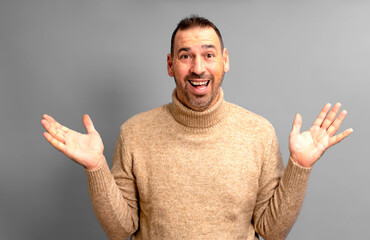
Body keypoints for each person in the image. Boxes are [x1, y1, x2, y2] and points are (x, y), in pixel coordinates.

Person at [41, 16, 353, 240]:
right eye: (185, 56)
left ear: (225, 60)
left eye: (208, 54)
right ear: (169, 64)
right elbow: (121, 230)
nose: (198, 68)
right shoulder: (134, 133)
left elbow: (271, 232)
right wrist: (96, 168)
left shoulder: (258, 132)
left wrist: (298, 167)